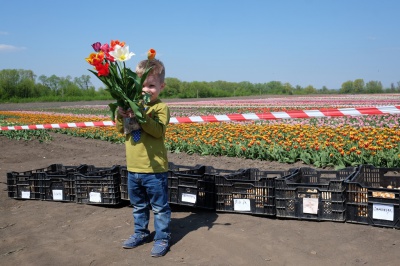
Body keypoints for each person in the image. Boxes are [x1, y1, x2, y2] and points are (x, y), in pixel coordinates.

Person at [116, 58, 171, 257]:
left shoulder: (160, 108)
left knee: (159, 207)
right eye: (142, 85)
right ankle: (141, 233)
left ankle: (162, 237)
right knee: (138, 206)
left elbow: (157, 131)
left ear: (161, 86)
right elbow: (121, 129)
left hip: (154, 170)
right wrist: (121, 114)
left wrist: (141, 115)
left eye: (151, 85)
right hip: (133, 168)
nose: (146, 90)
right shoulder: (131, 105)